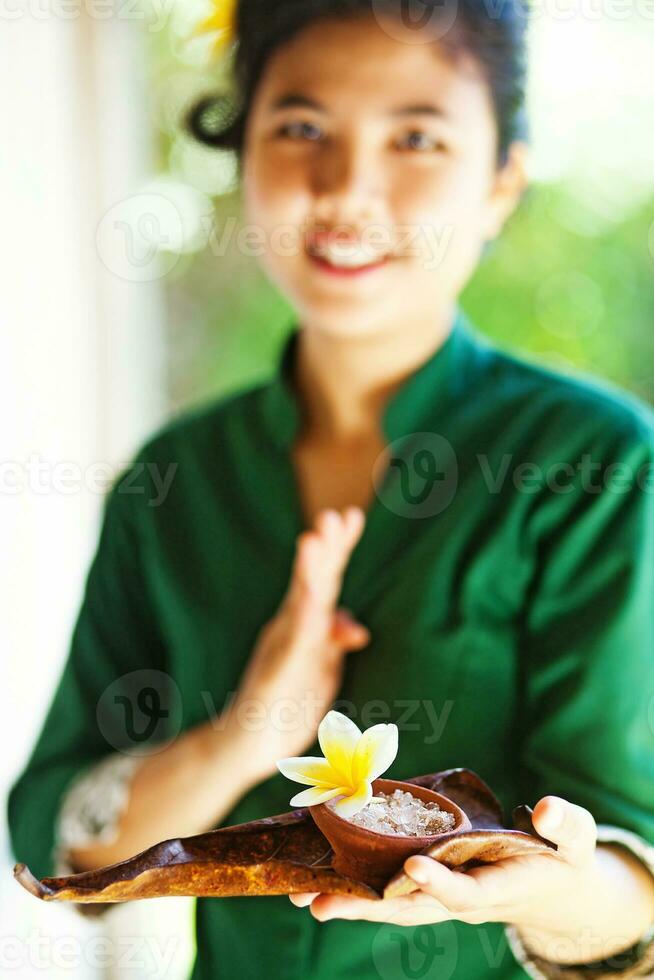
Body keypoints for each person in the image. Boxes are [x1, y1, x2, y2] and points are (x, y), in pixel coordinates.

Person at [8, 1, 654, 978]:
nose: (349, 189)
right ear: (242, 153)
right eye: (301, 128)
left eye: (417, 138)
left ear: (500, 183)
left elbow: (634, 881)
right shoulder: (170, 482)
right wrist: (245, 733)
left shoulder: (592, 461)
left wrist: (552, 887)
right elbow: (61, 844)